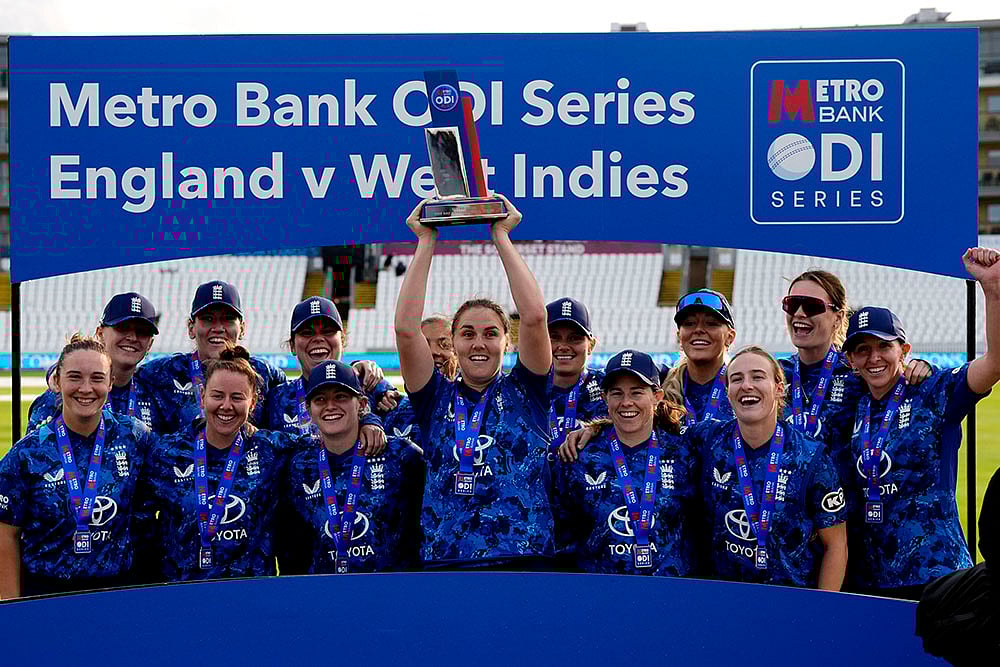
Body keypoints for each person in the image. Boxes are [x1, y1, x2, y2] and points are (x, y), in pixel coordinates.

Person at [394, 194, 555, 568]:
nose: (479, 343)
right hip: (446, 561)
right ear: (453, 342)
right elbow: (405, 330)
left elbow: (533, 317)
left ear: (506, 341)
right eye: (467, 333)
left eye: (490, 333)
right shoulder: (434, 397)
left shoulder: (527, 390)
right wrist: (426, 240)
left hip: (522, 558)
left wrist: (501, 236)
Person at [841, 247, 1000, 598]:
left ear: (905, 349)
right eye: (862, 349)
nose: (874, 357)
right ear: (851, 359)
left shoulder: (933, 390)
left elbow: (995, 363)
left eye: (883, 346)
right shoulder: (853, 405)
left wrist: (991, 288)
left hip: (936, 573)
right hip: (870, 578)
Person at [0, 335, 157, 598]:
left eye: (97, 378)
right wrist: (10, 610)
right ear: (57, 381)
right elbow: (5, 535)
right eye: (75, 377)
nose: (86, 388)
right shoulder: (27, 453)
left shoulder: (135, 437)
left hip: (116, 593)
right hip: (45, 594)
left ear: (110, 382)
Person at [135, 345, 299, 582]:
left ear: (253, 404)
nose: (226, 406)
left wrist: (369, 420)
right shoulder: (166, 452)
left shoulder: (271, 450)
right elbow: (141, 521)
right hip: (182, 595)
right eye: (217, 395)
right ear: (202, 396)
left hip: (251, 596)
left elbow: (327, 442)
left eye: (237, 398)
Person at [692, 345, 848, 589]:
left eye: (757, 376)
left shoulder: (810, 456)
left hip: (790, 603)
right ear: (728, 392)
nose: (747, 385)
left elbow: (836, 545)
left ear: (778, 388)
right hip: (723, 600)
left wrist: (822, 612)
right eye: (737, 379)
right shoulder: (707, 439)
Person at [552, 350, 699, 576]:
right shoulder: (580, 455)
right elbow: (564, 532)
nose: (626, 402)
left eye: (637, 392)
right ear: (605, 398)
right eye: (617, 393)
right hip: (601, 593)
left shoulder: (682, 451)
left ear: (657, 396)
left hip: (670, 594)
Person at [281, 360, 424, 574]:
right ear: (309, 409)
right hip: (325, 595)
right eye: (320, 399)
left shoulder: (400, 454)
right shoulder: (300, 464)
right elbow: (295, 544)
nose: (330, 406)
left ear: (363, 405)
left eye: (341, 397)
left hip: (392, 594)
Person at [136, 280, 287, 433]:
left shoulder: (266, 375)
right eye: (208, 319)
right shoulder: (158, 374)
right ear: (191, 327)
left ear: (242, 328)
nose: (218, 328)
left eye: (228, 319)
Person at [262, 296, 391, 452]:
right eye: (307, 333)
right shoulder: (276, 398)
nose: (318, 339)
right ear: (292, 346)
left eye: (328, 331)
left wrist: (369, 419)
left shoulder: (369, 384)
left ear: (342, 341)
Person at [27, 293, 165, 432]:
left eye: (142, 332)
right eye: (123, 328)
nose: (132, 337)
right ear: (100, 333)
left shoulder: (158, 393)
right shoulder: (60, 397)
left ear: (150, 344)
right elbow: (34, 449)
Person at [661, 289, 736, 426]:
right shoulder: (659, 385)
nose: (698, 329)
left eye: (711, 323)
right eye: (689, 323)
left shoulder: (745, 387)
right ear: (679, 337)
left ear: (730, 337)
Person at [383, 315, 459, 443]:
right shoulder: (392, 409)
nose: (434, 351)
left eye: (445, 344)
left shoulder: (479, 406)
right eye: (423, 345)